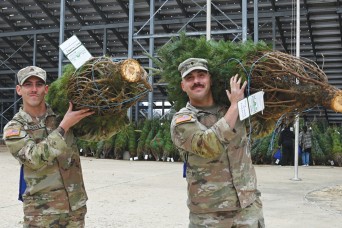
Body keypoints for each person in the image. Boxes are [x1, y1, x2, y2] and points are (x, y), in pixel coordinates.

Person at [170, 58, 265, 227]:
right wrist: (235, 105)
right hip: (210, 216)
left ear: (210, 80)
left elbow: (261, 129)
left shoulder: (231, 109)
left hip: (248, 208)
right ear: (183, 86)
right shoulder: (182, 120)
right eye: (189, 78)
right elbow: (208, 145)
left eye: (201, 75)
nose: (197, 81)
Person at [2, 66, 94, 227]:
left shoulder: (63, 116)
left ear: (46, 89)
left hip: (75, 207)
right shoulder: (15, 127)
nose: (34, 89)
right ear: (19, 90)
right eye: (28, 84)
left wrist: (114, 112)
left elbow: (94, 134)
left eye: (38, 84)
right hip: (41, 213)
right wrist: (64, 126)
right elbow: (33, 158)